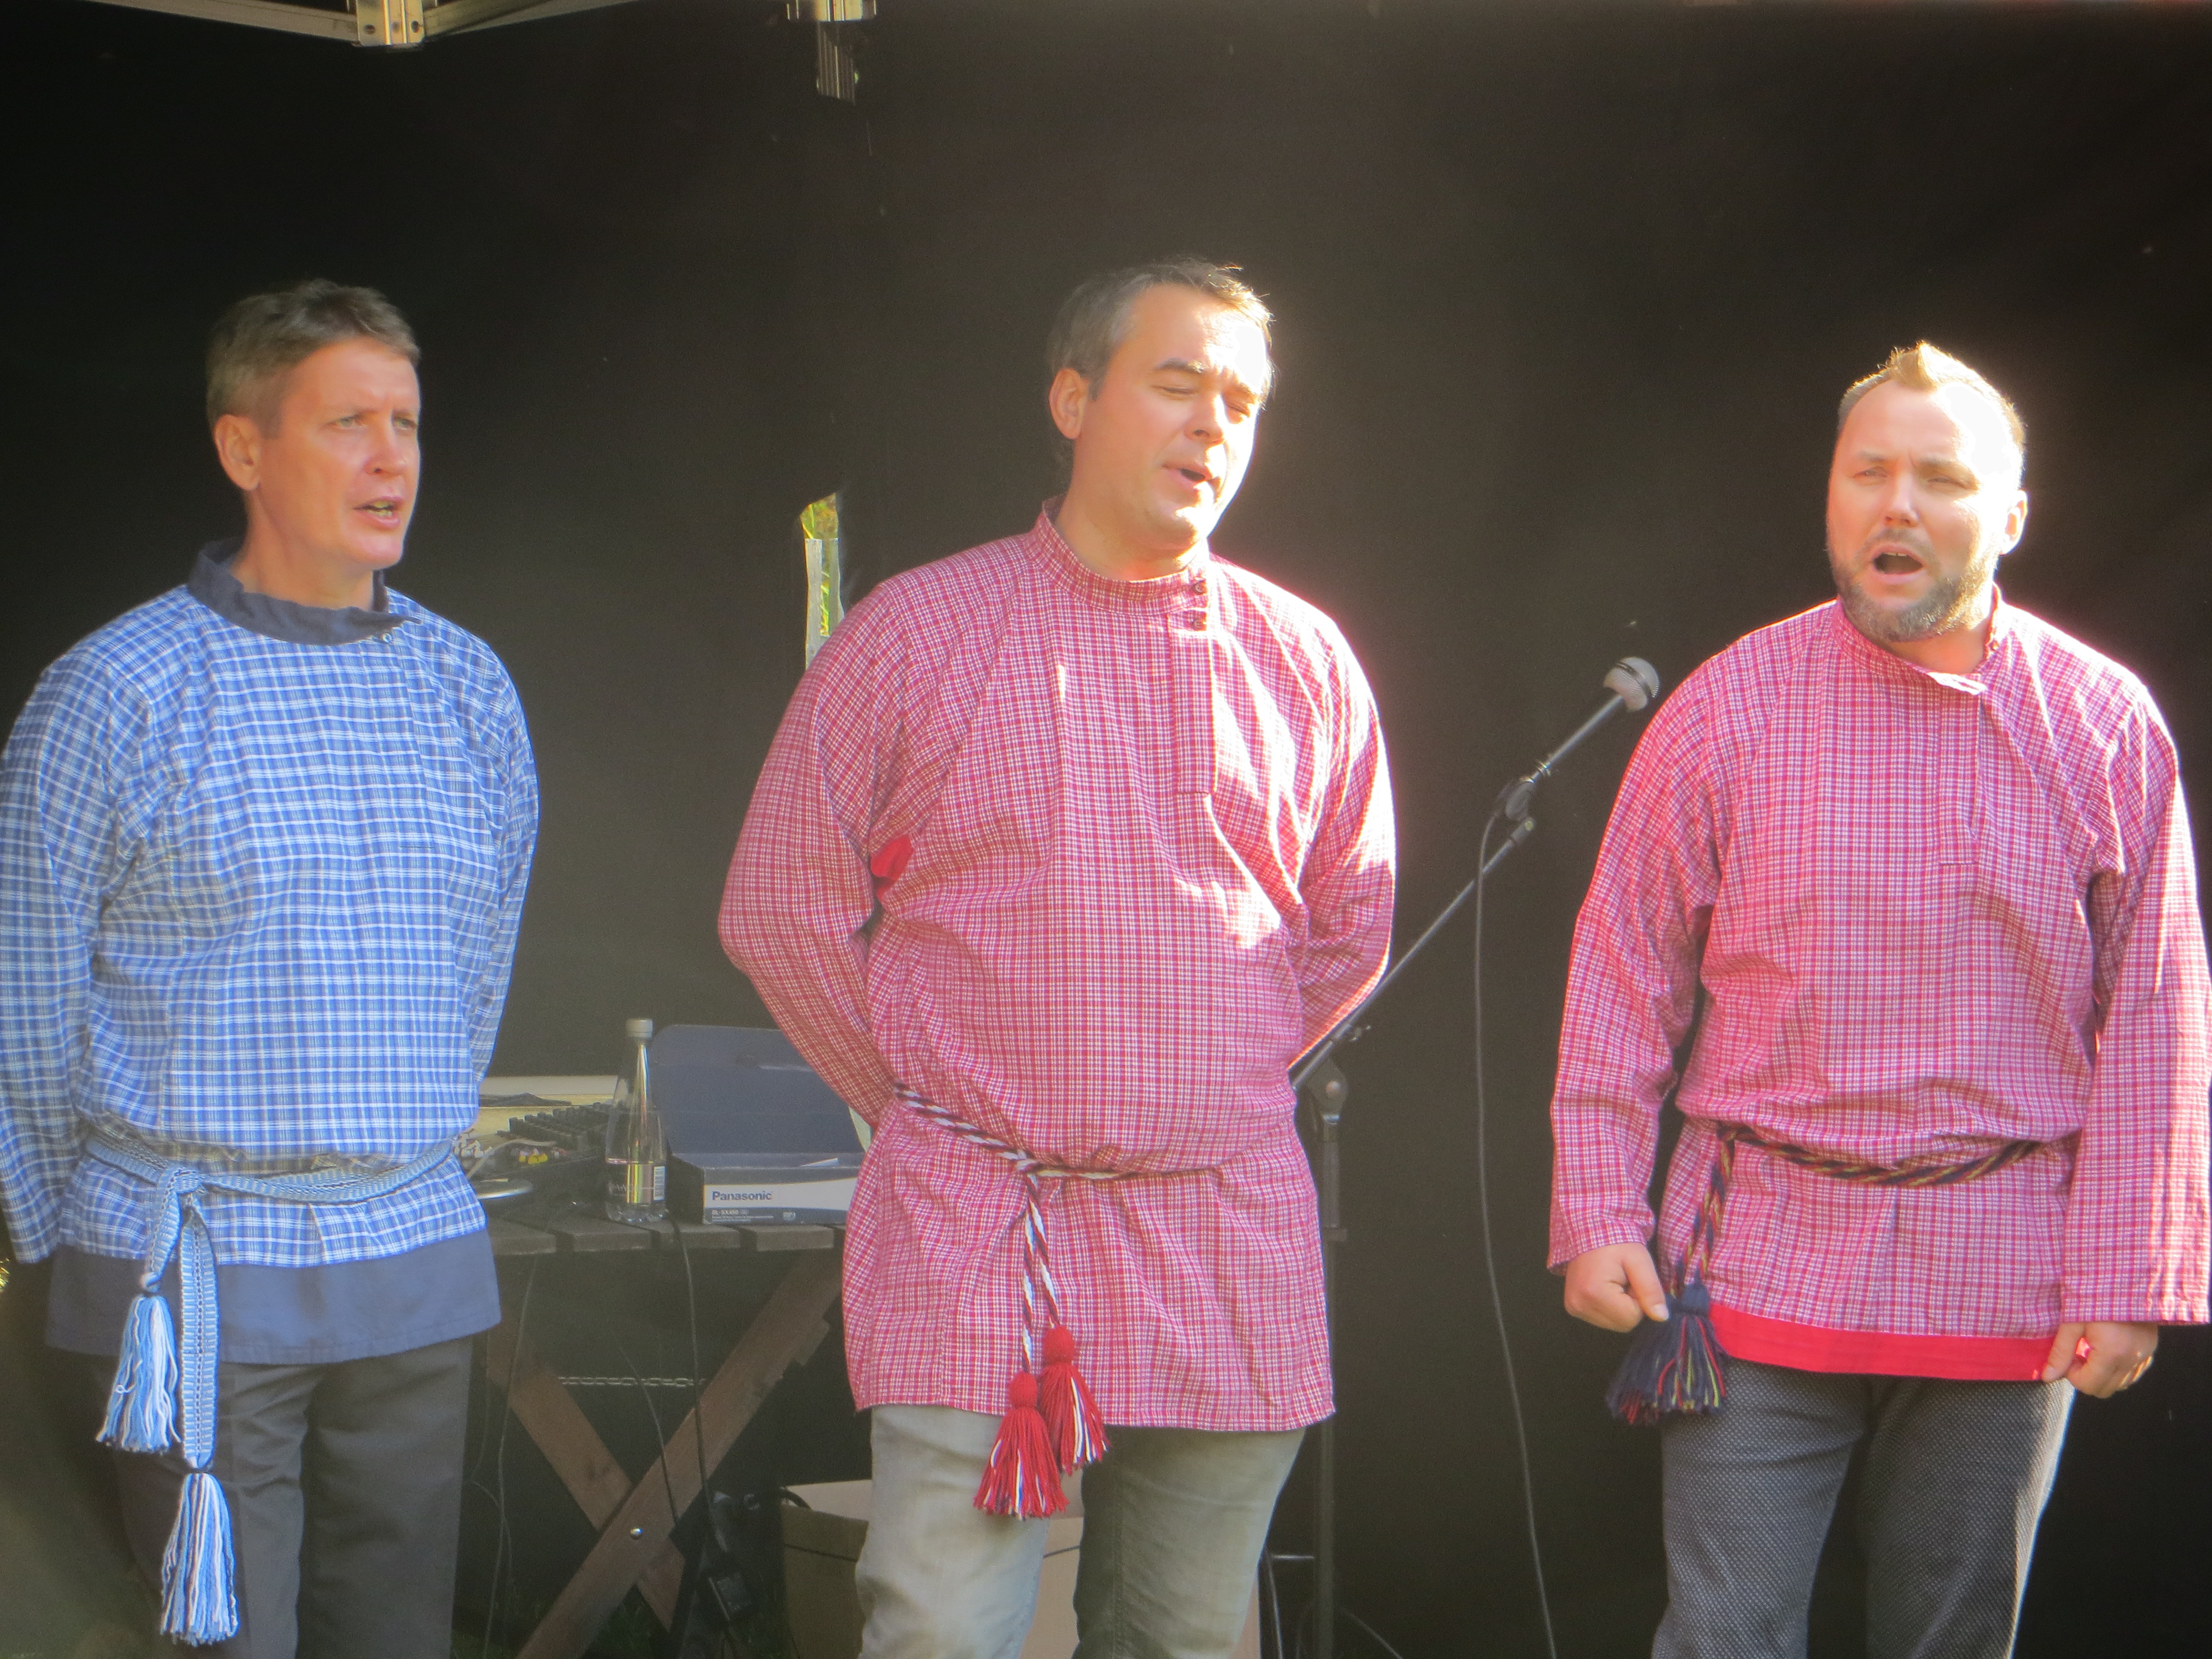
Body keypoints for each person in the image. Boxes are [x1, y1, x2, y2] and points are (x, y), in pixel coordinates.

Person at [722, 260, 1395, 1656]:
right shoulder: (917, 629)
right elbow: (779, 908)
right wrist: (930, 1107)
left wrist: (1188, 1098)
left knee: (1186, 1641)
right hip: (980, 1221)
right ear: (1072, 399)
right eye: (1177, 383)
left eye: (1242, 402)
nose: (1213, 425)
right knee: (941, 1636)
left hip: (1221, 1229)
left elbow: (1348, 936)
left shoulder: (1304, 657)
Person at [1550, 342, 2210, 1658]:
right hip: (1752, 1254)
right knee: (1723, 1637)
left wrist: (2132, 1272)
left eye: (1940, 479)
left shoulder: (2100, 723)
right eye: (1867, 473)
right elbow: (1621, 966)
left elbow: (2154, 1016)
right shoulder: (1726, 708)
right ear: (1831, 498)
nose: (1895, 503)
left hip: (2002, 1266)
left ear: (2008, 516)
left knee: (1948, 1642)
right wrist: (1594, 1206)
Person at [0, 280, 538, 1656]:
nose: (389, 457)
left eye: (405, 422)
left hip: (410, 1258)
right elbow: (24, 1004)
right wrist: (69, 1248)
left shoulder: (467, 688)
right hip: (196, 1273)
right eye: (347, 422)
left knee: (396, 1639)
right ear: (244, 448)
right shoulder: (115, 692)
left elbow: (478, 970)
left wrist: (391, 1132)